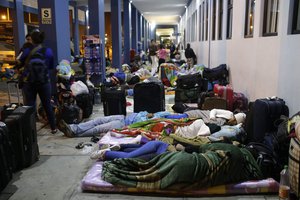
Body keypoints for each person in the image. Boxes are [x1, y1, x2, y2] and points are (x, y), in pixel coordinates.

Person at [17, 30, 57, 133]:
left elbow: (18, 63)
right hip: (44, 82)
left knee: (29, 107)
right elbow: (51, 66)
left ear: (32, 39)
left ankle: (30, 131)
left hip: (29, 83)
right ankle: (53, 128)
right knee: (47, 104)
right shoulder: (48, 51)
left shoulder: (26, 50)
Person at [58, 111, 171, 138]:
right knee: (97, 120)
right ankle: (73, 128)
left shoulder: (156, 125)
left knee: (98, 128)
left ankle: (74, 133)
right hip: (123, 117)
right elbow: (167, 113)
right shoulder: (161, 114)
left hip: (123, 125)